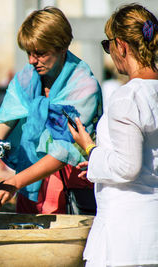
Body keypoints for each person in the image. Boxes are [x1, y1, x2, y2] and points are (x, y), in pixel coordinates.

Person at [0, 7, 101, 215]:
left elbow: (63, 153)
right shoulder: (25, 79)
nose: (32, 61)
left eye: (40, 53)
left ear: (62, 48)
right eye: (29, 53)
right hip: (29, 185)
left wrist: (15, 182)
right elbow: (4, 123)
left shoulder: (84, 86)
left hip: (71, 191)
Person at [69, 4, 158, 266]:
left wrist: (91, 149)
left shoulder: (128, 97)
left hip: (126, 238)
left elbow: (128, 167)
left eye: (107, 46)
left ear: (121, 46)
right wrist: (99, 164)